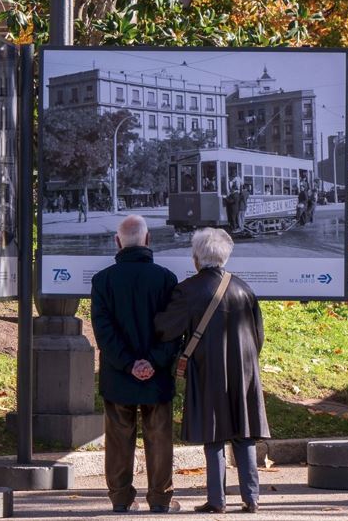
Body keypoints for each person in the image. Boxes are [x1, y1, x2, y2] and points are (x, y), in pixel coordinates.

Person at [154, 228, 270, 514]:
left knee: (214, 433)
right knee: (244, 433)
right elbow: (259, 335)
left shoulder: (189, 290)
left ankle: (217, 500)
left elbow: (166, 328)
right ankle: (251, 498)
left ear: (196, 257)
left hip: (209, 370)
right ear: (224, 256)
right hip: (244, 371)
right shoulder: (244, 288)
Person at [91, 215, 181, 514]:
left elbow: (103, 331)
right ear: (148, 239)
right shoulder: (166, 279)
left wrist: (129, 364)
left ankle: (119, 497)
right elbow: (172, 331)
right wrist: (152, 362)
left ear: (118, 242)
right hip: (157, 377)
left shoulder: (103, 280)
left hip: (119, 376)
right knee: (159, 438)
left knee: (118, 439)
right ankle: (160, 498)